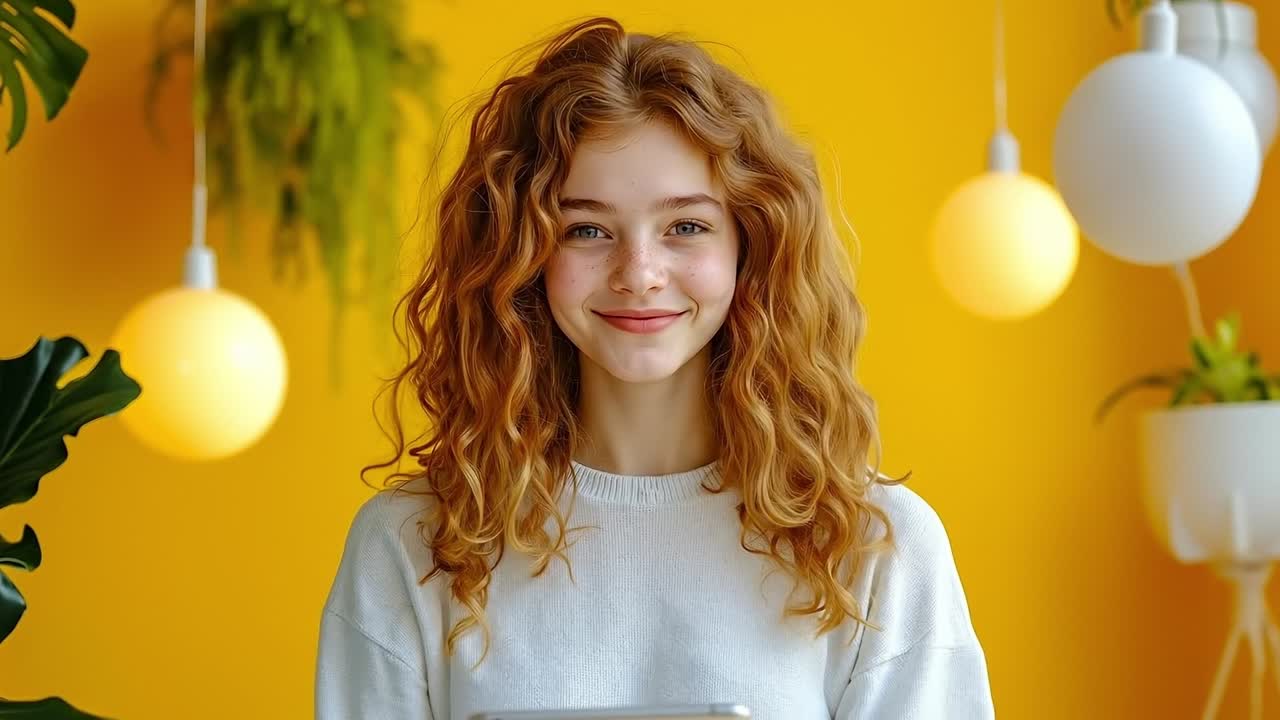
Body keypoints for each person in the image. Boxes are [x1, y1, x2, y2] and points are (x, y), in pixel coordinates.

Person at [315, 16, 994, 720]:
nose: (638, 274)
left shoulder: (870, 542)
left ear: (750, 246)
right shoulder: (415, 544)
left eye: (686, 227)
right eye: (586, 230)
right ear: (522, 258)